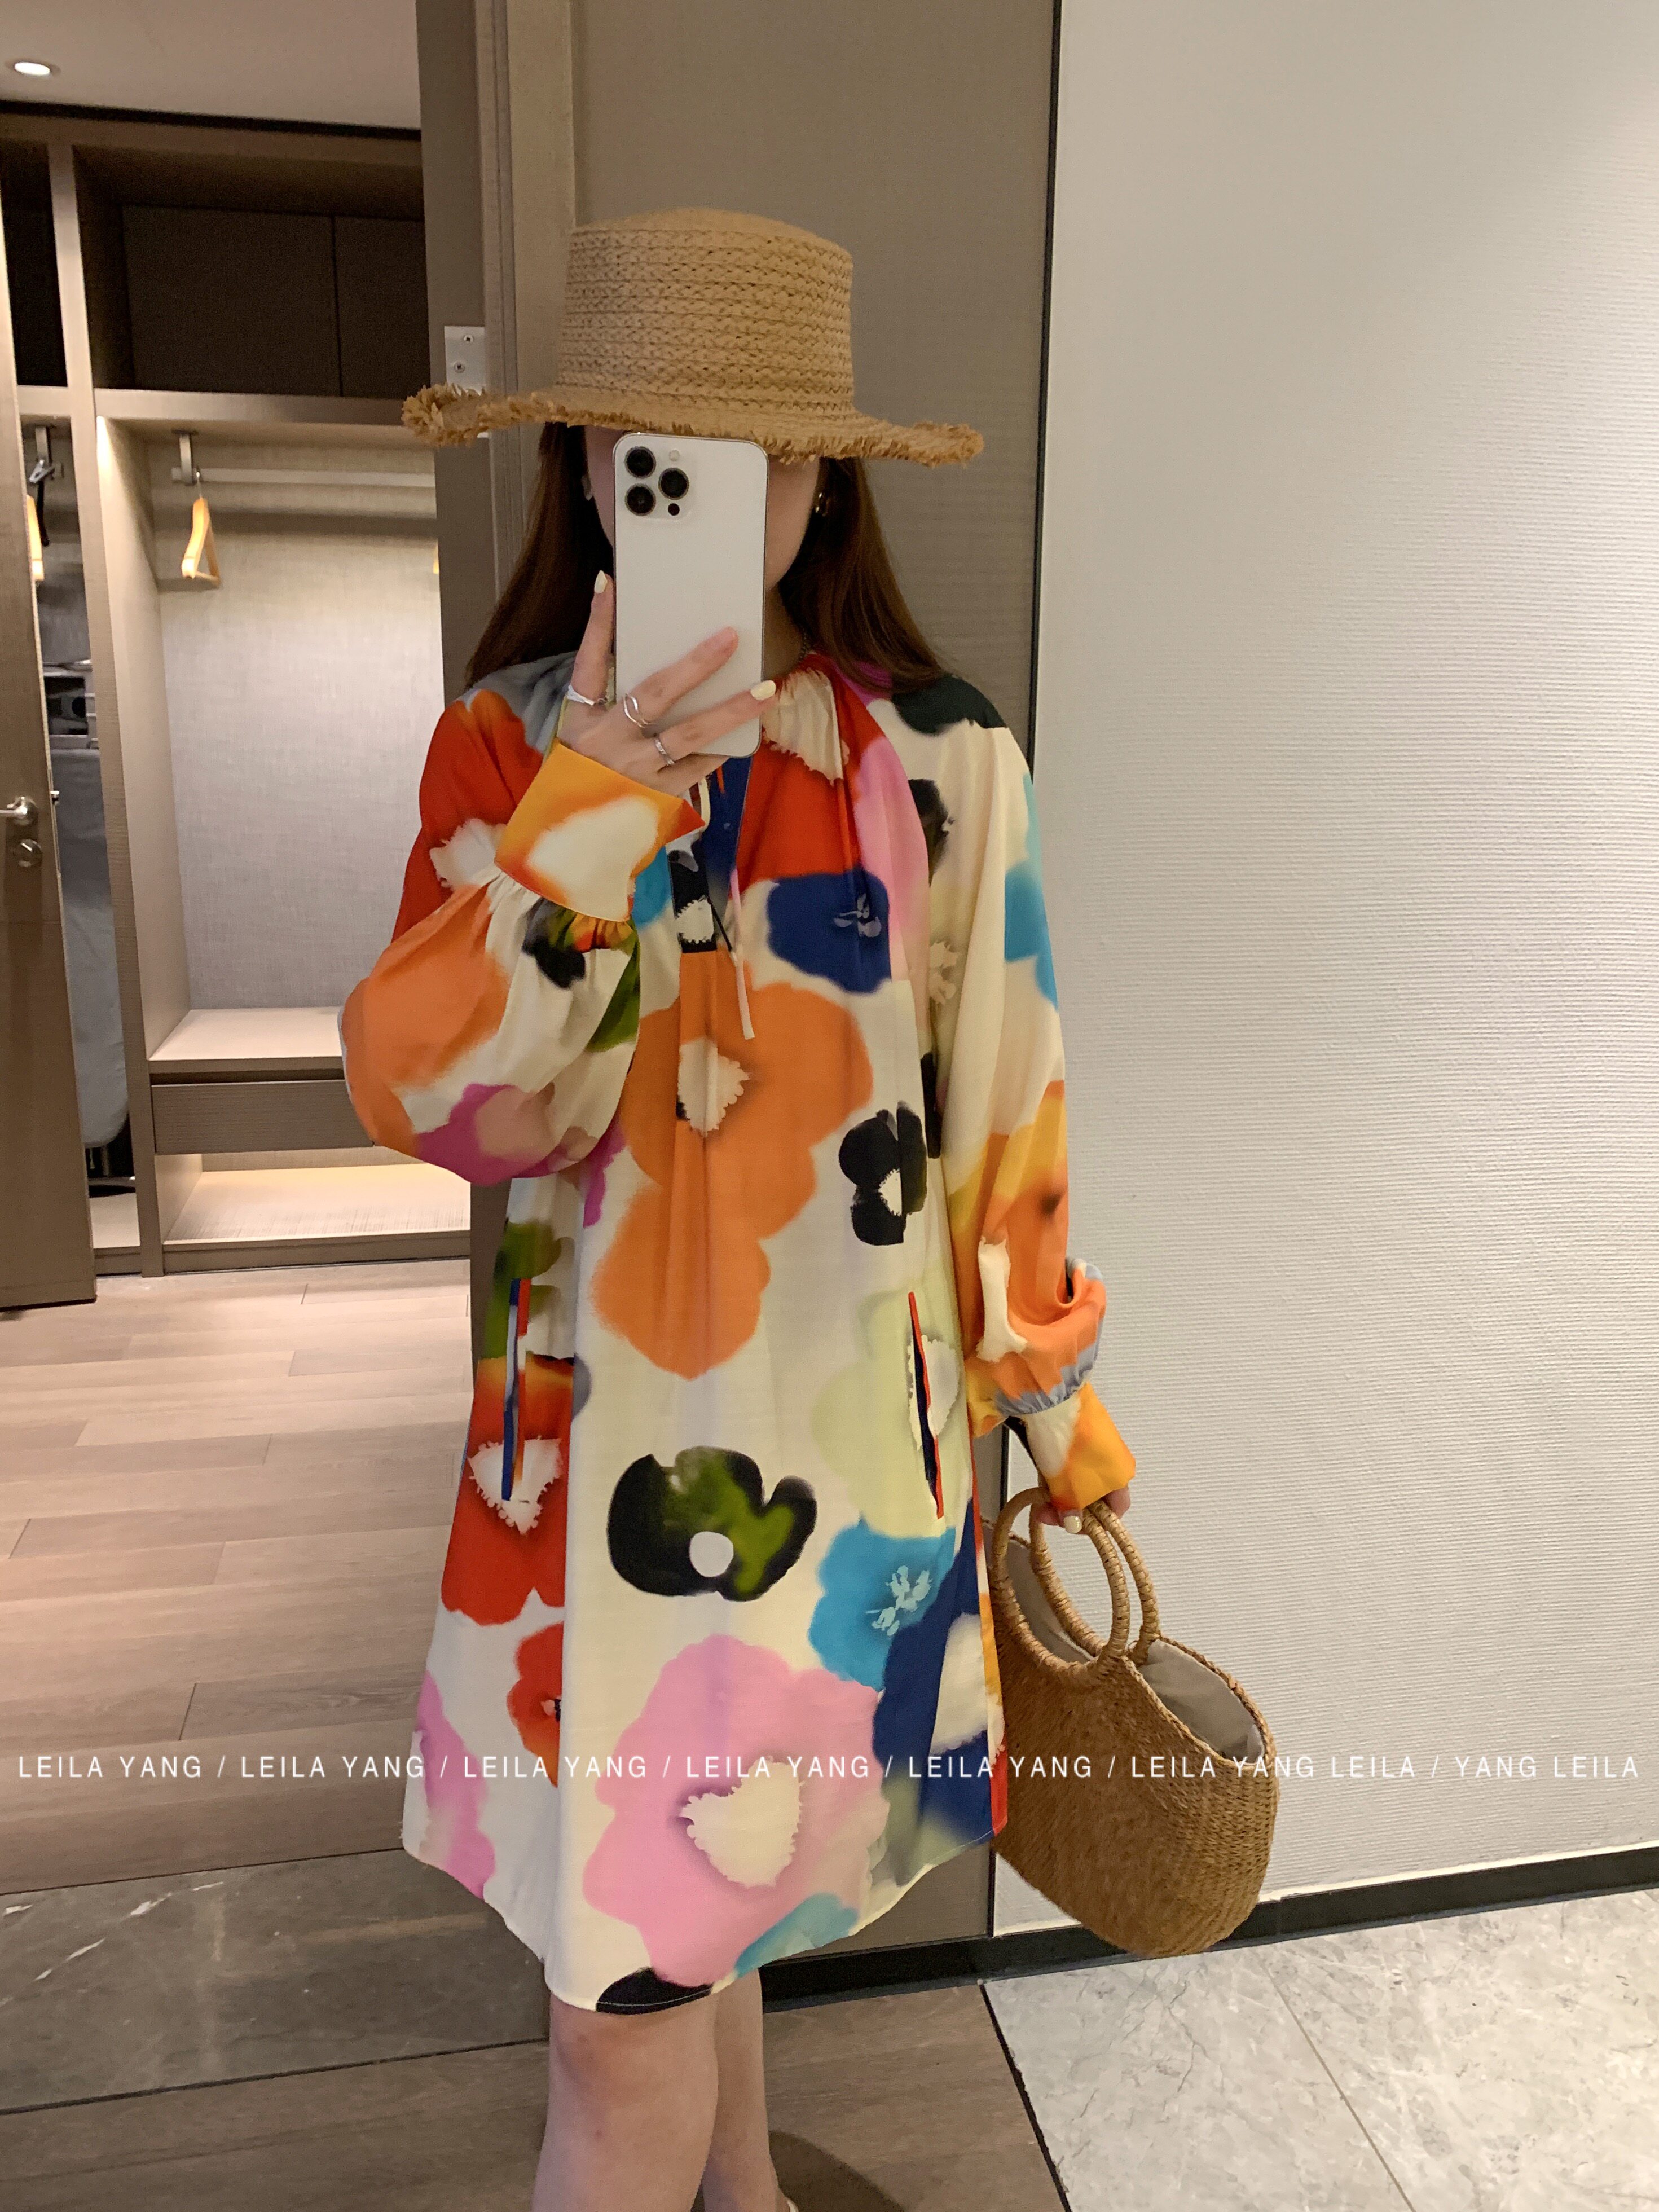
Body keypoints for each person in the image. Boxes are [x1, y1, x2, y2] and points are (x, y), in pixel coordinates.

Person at [341, 207, 1136, 2212]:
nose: (707, 491)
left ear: (823, 479)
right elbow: (442, 1100)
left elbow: (1006, 1113)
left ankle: (750, 2190)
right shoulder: (508, 745)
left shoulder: (943, 763)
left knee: (716, 1909)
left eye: (759, 454)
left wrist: (1057, 1412)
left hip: (846, 1471)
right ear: (590, 469)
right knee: (623, 2010)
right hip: (586, 1488)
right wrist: (594, 807)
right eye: (653, 452)